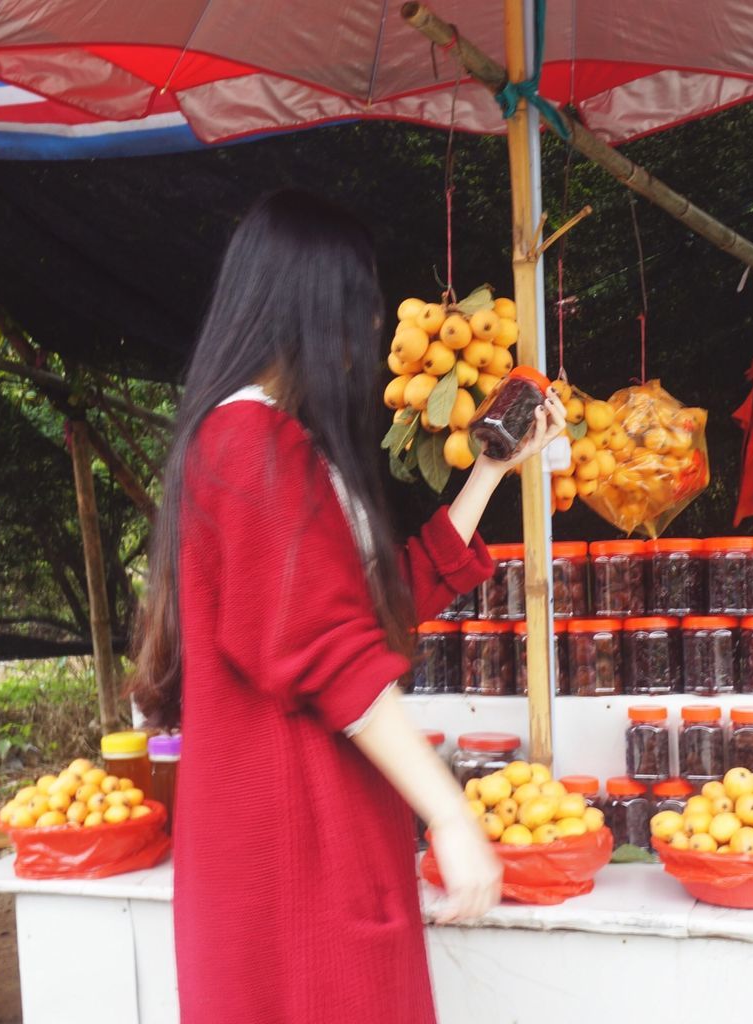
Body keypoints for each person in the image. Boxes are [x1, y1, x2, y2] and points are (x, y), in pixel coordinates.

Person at [130, 190, 566, 1023]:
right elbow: (333, 653)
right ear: (309, 308)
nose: (370, 335)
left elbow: (369, 609)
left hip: (309, 850)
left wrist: (490, 474)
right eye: (361, 309)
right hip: (297, 865)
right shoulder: (249, 446)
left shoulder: (266, 445)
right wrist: (448, 811)